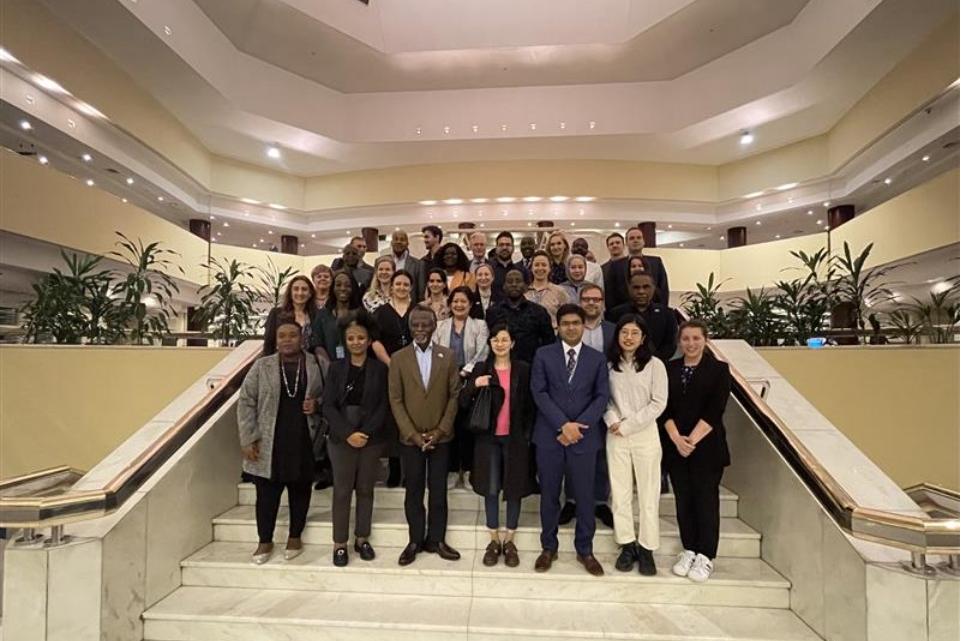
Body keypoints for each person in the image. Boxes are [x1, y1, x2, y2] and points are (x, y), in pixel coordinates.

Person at [237, 314, 324, 564]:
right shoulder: (262, 366)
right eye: (282, 336)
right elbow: (246, 401)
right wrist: (248, 438)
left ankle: (295, 536)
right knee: (267, 494)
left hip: (302, 438)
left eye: (293, 335)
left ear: (301, 338)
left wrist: (316, 404)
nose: (287, 340)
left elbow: (327, 395)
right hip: (269, 440)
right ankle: (265, 540)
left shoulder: (314, 363)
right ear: (275, 340)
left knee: (300, 490)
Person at [530, 304, 610, 577]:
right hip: (550, 437)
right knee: (549, 495)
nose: (571, 327)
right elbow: (539, 392)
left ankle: (585, 550)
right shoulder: (543, 355)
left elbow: (601, 396)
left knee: (585, 497)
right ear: (558, 326)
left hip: (584, 439)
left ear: (583, 325)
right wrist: (563, 425)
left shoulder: (597, 358)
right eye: (566, 323)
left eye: (576, 322)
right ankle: (548, 547)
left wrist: (577, 427)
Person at [389, 306, 462, 566]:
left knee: (438, 491)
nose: (420, 329)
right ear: (410, 327)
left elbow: (454, 395)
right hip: (411, 440)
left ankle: (437, 540)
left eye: (425, 324)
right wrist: (412, 434)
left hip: (441, 438)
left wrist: (440, 431)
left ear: (434, 326)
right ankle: (415, 541)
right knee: (414, 491)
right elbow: (395, 400)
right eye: (415, 325)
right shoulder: (398, 358)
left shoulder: (448, 356)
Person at [661, 320, 732, 583]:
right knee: (684, 500)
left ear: (705, 340)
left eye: (696, 338)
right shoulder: (669, 368)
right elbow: (663, 408)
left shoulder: (719, 369)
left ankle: (706, 555)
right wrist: (676, 439)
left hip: (707, 447)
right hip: (675, 446)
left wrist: (690, 441)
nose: (690, 343)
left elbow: (715, 409)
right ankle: (689, 549)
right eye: (686, 339)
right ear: (679, 342)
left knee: (706, 501)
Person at [459, 324, 535, 567]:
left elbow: (531, 405)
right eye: (495, 340)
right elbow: (462, 401)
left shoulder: (523, 369)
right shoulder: (482, 368)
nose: (500, 344)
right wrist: (475, 384)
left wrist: (527, 435)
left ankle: (509, 540)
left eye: (504, 339)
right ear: (490, 343)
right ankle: (493, 540)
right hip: (488, 439)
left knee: (514, 488)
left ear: (512, 343)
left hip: (515, 439)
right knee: (491, 488)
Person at [323, 311, 389, 567]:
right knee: (342, 490)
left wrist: (365, 433)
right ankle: (340, 543)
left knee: (365, 489)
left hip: (371, 437)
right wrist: (348, 433)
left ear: (369, 340)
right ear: (345, 341)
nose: (356, 342)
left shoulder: (379, 369)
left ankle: (362, 538)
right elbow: (328, 406)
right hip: (341, 437)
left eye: (361, 338)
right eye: (351, 338)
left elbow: (383, 406)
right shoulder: (335, 368)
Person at [604, 314, 668, 575]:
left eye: (634, 333)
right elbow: (604, 398)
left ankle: (647, 547)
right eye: (624, 332)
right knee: (620, 493)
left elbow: (658, 402)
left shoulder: (655, 365)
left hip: (645, 436)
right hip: (615, 435)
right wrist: (612, 420)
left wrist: (628, 425)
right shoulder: (610, 365)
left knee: (648, 493)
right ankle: (627, 544)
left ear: (643, 338)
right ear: (617, 336)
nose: (628, 338)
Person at [434, 286, 490, 488]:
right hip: (444, 380)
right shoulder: (440, 326)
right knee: (449, 425)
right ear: (450, 304)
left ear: (470, 304)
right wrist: (450, 374)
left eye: (463, 301)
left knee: (466, 427)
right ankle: (450, 470)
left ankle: (466, 469)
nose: (459, 305)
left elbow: (482, 352)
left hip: (470, 380)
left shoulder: (480, 325)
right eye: (455, 301)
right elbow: (435, 351)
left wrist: (465, 372)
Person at [371, 270, 417, 487]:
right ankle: (395, 469)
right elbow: (375, 341)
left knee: (413, 416)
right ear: (391, 287)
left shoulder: (418, 310)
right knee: (392, 418)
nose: (401, 287)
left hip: (415, 371)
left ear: (411, 287)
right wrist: (391, 363)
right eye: (398, 284)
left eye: (406, 284)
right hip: (388, 369)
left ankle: (412, 470)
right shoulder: (380, 312)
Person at [486, 269, 556, 365]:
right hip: (500, 366)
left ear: (526, 286)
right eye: (510, 281)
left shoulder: (539, 312)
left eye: (518, 281)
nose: (514, 284)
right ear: (504, 286)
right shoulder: (493, 312)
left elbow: (549, 342)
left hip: (532, 366)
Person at [606, 272, 678, 362]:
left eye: (646, 287)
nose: (641, 291)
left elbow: (670, 345)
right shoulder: (615, 314)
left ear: (653, 288)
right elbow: (612, 342)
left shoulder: (667, 314)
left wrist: (652, 362)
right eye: (636, 287)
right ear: (629, 288)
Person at [313, 270, 362, 363]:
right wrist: (329, 366)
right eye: (338, 285)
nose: (342, 288)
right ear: (332, 288)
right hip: (329, 366)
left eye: (348, 285)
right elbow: (318, 344)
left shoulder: (361, 315)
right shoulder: (322, 315)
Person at [263, 276, 317, 356]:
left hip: (308, 361)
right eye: (296, 289)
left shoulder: (316, 316)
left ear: (310, 294)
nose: (300, 293)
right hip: (280, 360)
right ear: (290, 293)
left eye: (304, 289)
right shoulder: (276, 314)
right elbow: (269, 343)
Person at [525, 250, 569, 325]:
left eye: (544, 265)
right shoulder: (524, 292)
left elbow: (567, 317)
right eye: (536, 265)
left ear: (550, 268)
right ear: (531, 268)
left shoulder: (560, 292)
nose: (540, 268)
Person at [389, 229, 425, 302]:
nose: (399, 242)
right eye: (396, 239)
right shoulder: (383, 262)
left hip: (410, 305)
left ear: (407, 243)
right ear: (391, 243)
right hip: (387, 304)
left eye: (402, 240)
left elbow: (421, 292)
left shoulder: (418, 264)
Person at [602, 232, 628, 310]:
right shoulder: (603, 268)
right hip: (610, 309)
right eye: (611, 244)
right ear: (608, 247)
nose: (615, 245)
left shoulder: (631, 264)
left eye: (618, 243)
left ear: (623, 245)